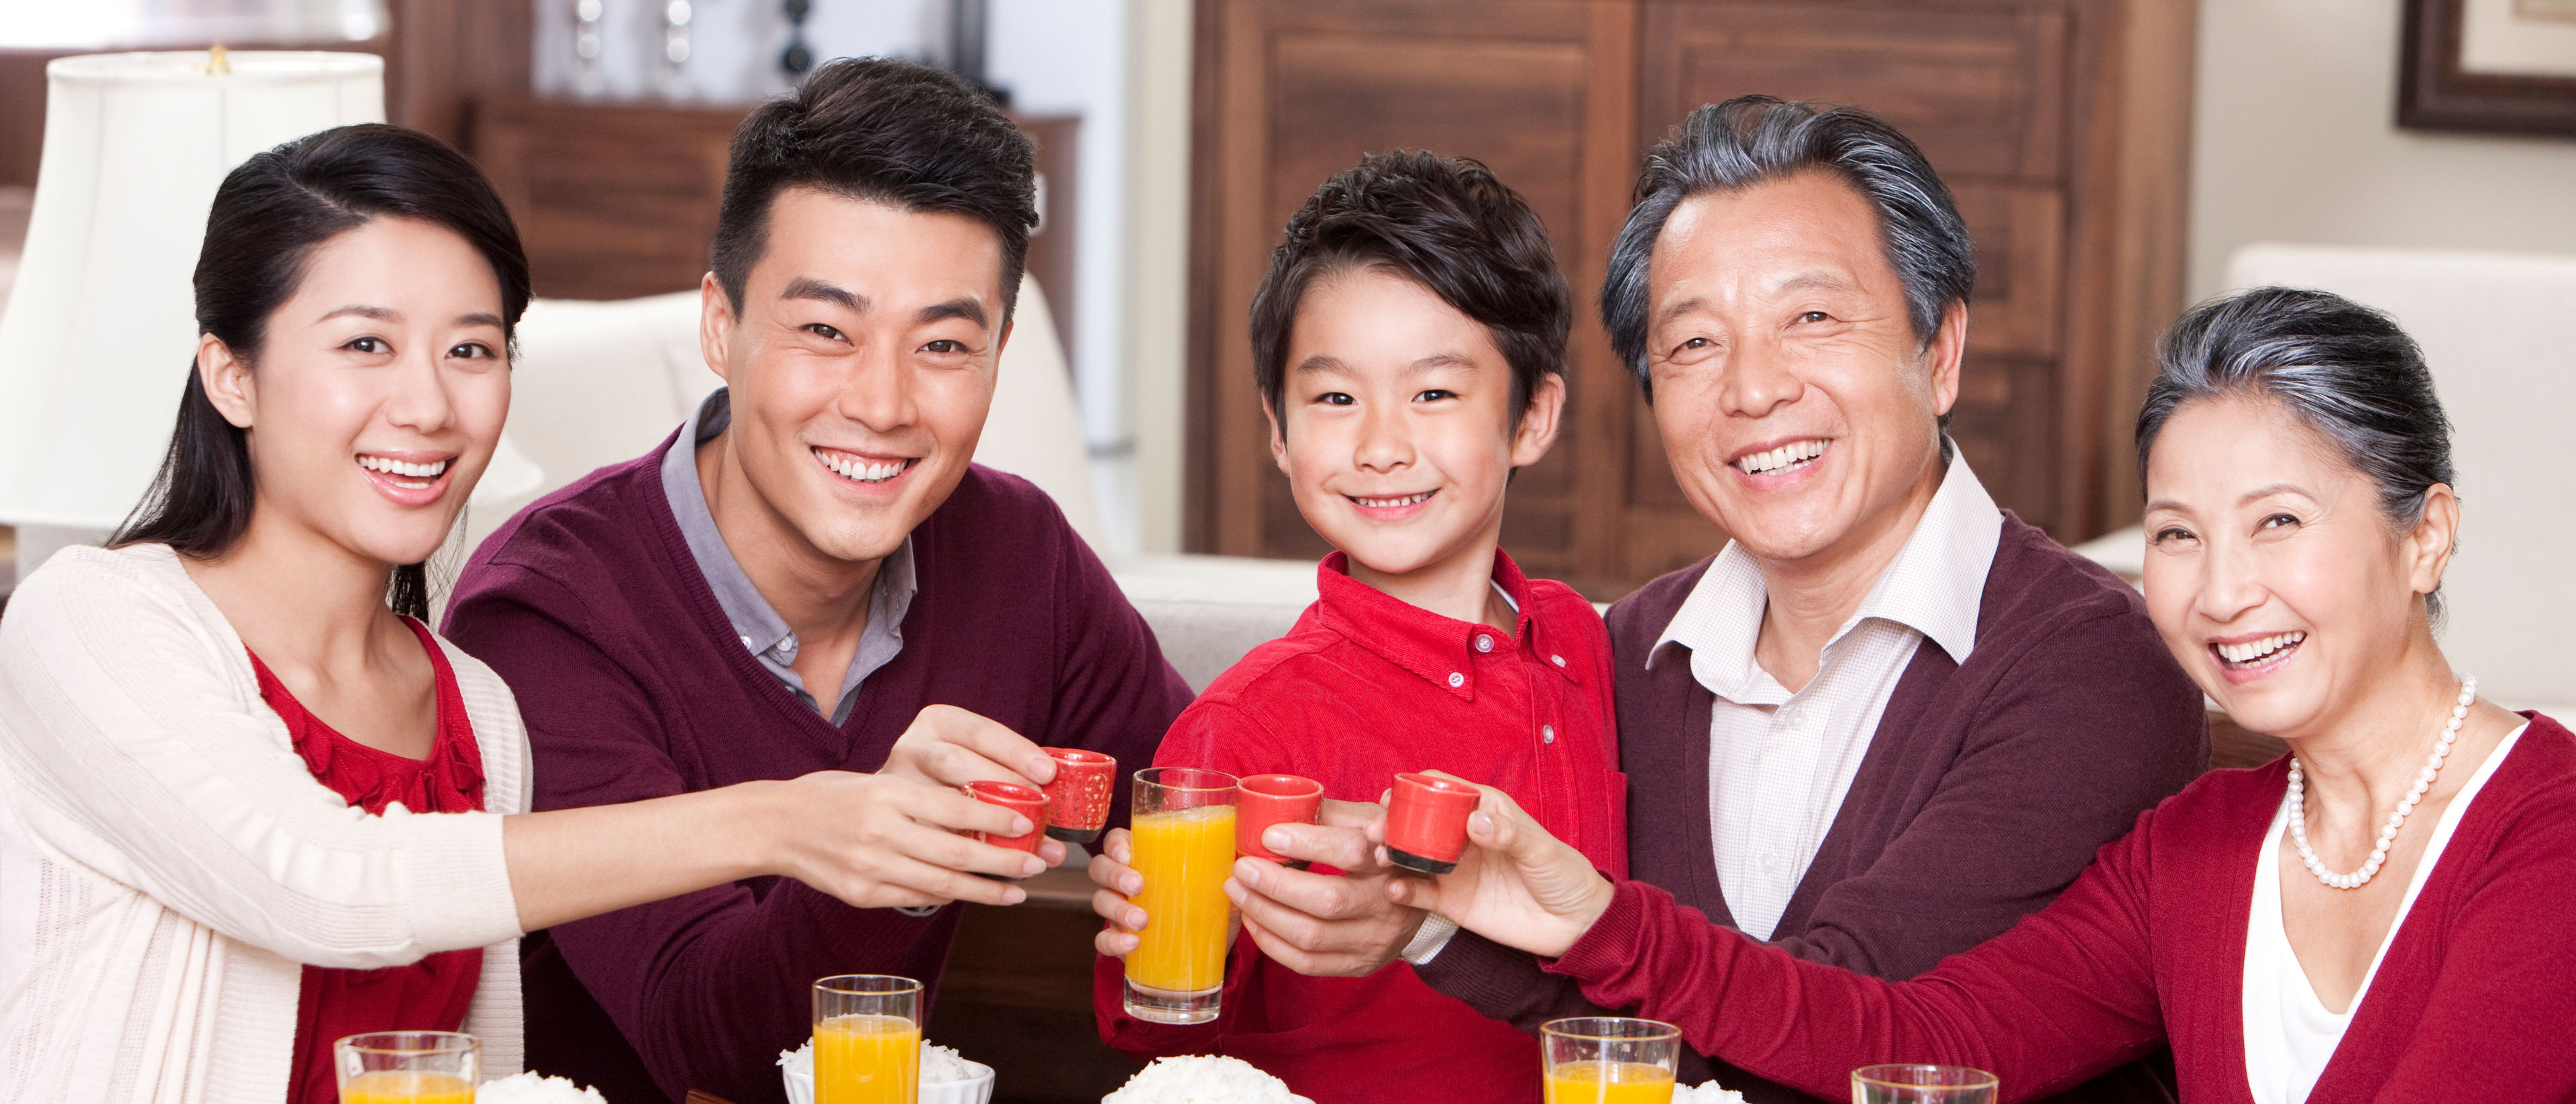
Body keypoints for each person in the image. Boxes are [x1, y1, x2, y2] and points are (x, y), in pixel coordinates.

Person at [0, 124, 1058, 1104]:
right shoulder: (94, 621)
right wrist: (788, 820)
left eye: (471, 349)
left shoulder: (475, 707)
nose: (427, 405)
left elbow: (486, 1068)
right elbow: (324, 881)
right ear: (231, 374)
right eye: (365, 345)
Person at [1218, 97, 2206, 1101]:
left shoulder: (2091, 666)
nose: (1752, 390)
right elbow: (1641, 1044)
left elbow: (1869, 1036)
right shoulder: (1625, 655)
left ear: (1939, 351)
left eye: (1811, 318)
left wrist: (1527, 926)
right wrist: (1423, 920)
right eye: (1695, 345)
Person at [1394, 286, 2576, 1102]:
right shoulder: (2196, 852)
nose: (2222, 593)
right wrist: (1591, 920)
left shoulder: (2548, 833)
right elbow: (1919, 1041)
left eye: (2279, 523)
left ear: (2426, 536)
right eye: (2177, 534)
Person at [439, 58, 1192, 1104]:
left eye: (942, 344)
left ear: (999, 354)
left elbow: (1196, 784)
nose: (882, 403)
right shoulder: (546, 612)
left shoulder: (1018, 551)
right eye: (826, 331)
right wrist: (886, 840)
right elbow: (706, 1042)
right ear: (721, 324)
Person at [1081, 152, 1625, 1103]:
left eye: (1435, 393)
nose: (1381, 444)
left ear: (1533, 417)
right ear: (1280, 429)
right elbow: (1161, 1022)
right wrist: (1150, 924)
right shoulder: (1245, 723)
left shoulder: (1583, 642)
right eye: (1335, 397)